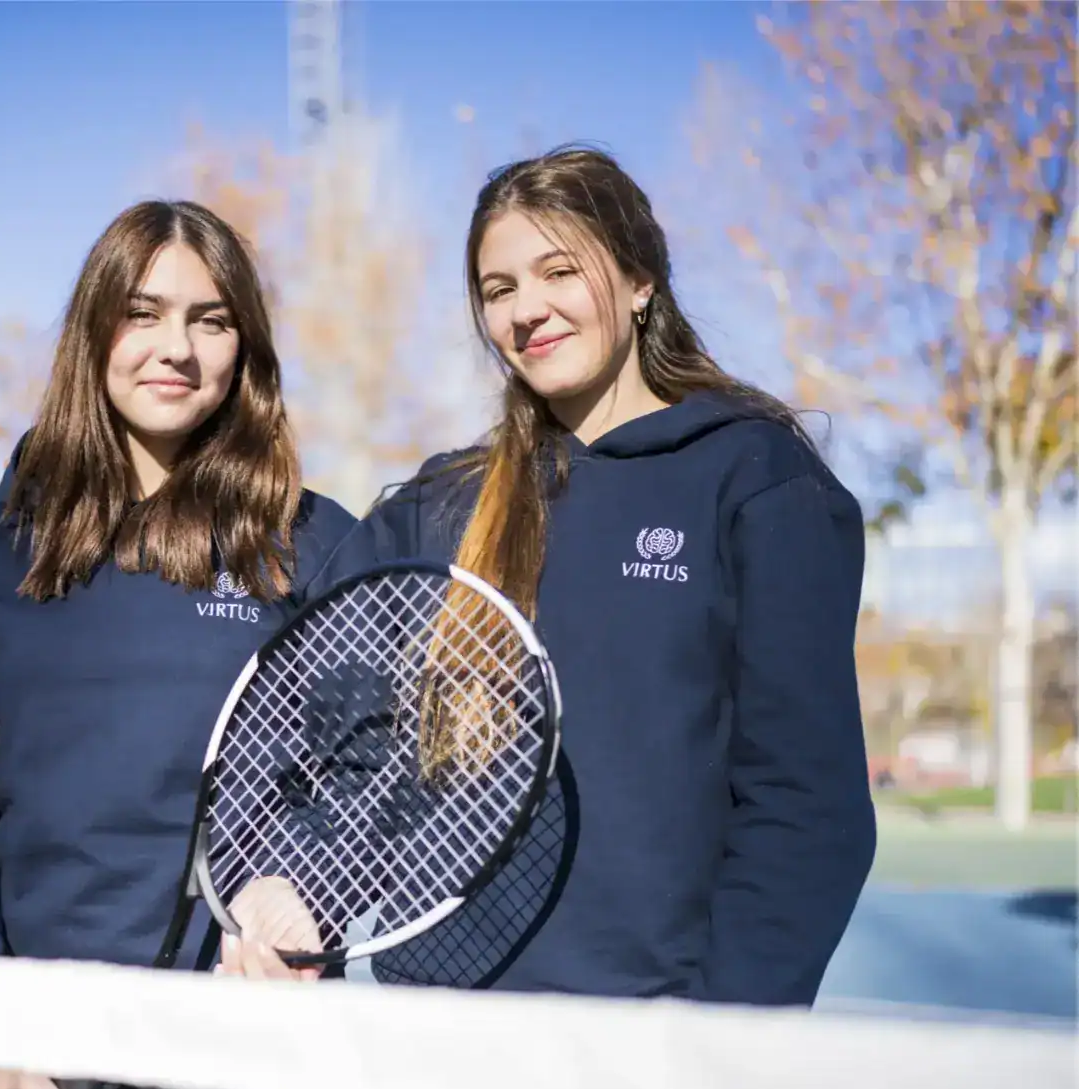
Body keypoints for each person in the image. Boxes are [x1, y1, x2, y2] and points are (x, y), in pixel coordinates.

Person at [223, 144, 877, 1011]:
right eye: (498, 290)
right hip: (436, 1037)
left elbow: (805, 803)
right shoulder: (437, 507)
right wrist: (302, 881)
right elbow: (352, 745)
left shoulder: (755, 479)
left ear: (640, 278)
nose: (527, 309)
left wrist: (730, 1035)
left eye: (557, 271)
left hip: (653, 1044)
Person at [0, 199, 356, 1089]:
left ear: (245, 349)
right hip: (35, 1062)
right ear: (94, 329)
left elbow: (374, 779)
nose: (173, 347)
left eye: (210, 318)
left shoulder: (320, 546)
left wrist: (306, 881)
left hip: (258, 1065)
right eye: (141, 312)